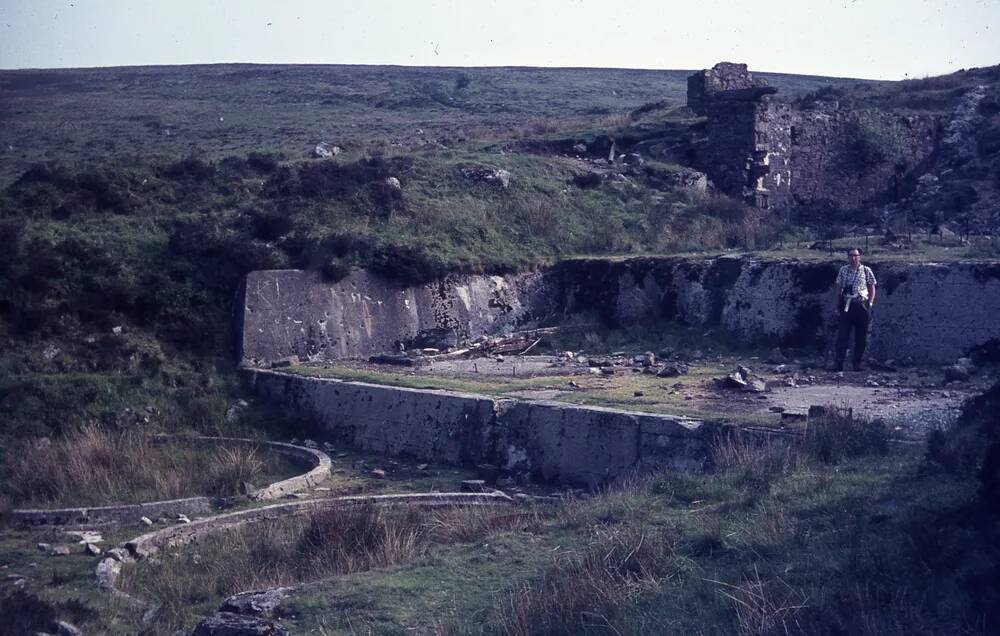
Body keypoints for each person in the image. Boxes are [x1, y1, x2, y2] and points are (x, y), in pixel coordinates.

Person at [832, 248, 876, 371]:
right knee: (842, 335)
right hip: (846, 305)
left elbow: (872, 287)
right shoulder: (843, 270)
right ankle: (838, 363)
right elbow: (839, 289)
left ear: (859, 257)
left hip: (861, 305)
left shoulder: (866, 271)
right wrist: (837, 307)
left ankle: (857, 363)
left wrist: (870, 304)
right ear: (848, 257)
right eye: (851, 255)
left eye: (856, 255)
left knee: (861, 337)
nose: (853, 258)